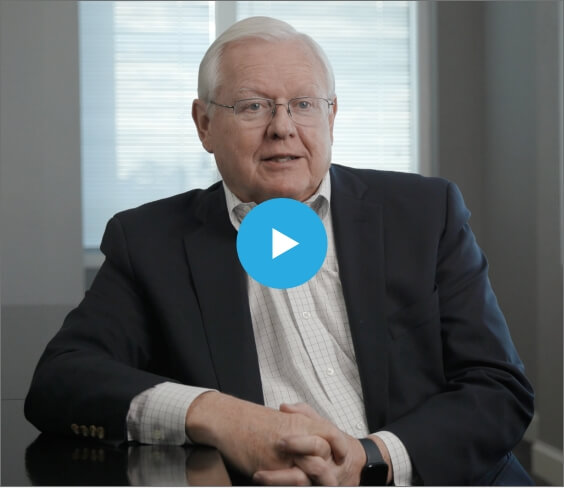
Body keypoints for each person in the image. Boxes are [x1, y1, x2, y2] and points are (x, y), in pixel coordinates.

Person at [25, 16, 534, 486]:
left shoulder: (424, 212)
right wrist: (221, 416)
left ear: (331, 116)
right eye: (253, 106)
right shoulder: (150, 241)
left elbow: (498, 389)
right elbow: (62, 379)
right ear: (204, 124)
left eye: (304, 104)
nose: (283, 128)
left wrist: (370, 458)